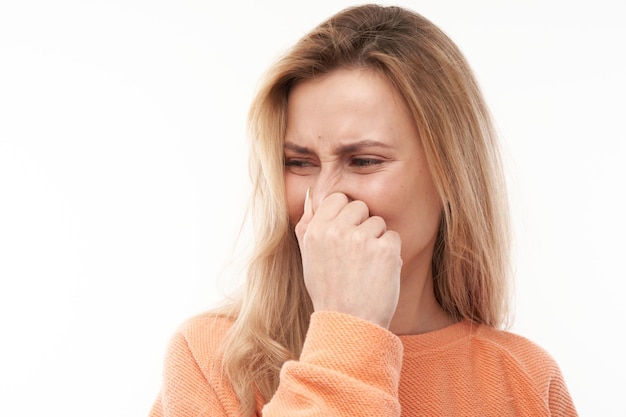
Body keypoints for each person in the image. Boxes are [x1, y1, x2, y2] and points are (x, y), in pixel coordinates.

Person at [149, 4, 577, 416]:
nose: (326, 197)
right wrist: (347, 329)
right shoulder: (211, 359)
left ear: (452, 173)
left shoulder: (527, 379)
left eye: (365, 161)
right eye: (300, 163)